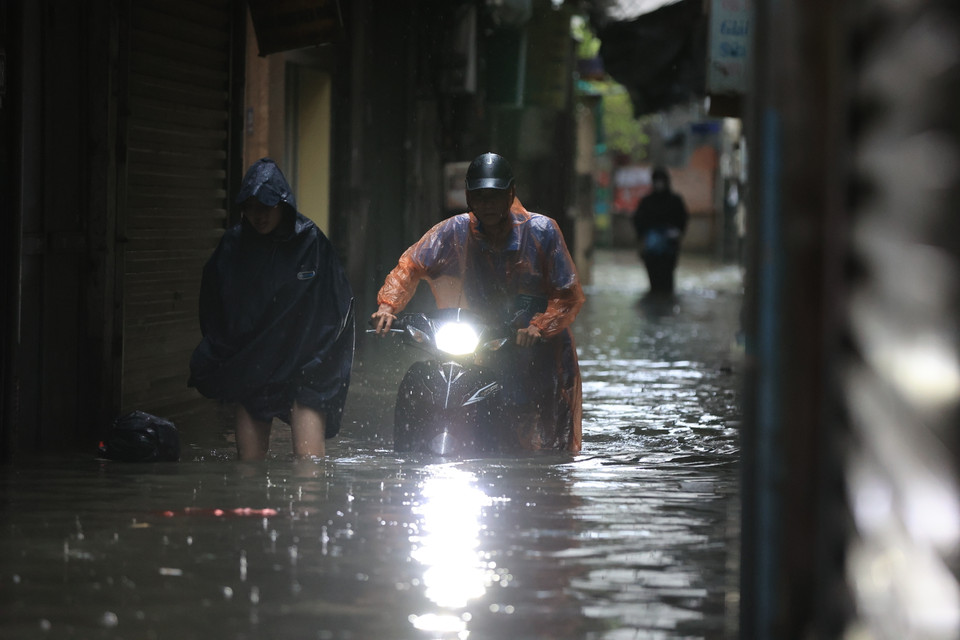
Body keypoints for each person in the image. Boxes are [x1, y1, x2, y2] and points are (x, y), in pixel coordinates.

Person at [371, 152, 585, 451]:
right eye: (480, 197)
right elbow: (410, 265)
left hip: (542, 352)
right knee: (492, 427)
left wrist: (539, 326)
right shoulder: (455, 231)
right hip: (488, 343)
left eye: (496, 197)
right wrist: (388, 307)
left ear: (510, 194)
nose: (488, 206)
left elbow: (567, 294)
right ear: (470, 198)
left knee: (549, 440)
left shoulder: (542, 232)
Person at [188, 158, 355, 460]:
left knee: (309, 468)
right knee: (248, 467)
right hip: (256, 359)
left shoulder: (311, 241)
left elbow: (337, 306)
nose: (258, 216)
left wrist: (319, 357)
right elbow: (214, 304)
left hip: (306, 362)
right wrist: (227, 351)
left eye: (266, 207)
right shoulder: (234, 245)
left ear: (283, 205)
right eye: (251, 208)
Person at [632, 166, 689, 295]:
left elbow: (682, 220)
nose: (659, 183)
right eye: (656, 180)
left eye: (661, 180)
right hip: (651, 250)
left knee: (668, 281)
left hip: (670, 248)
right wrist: (643, 238)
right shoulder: (647, 202)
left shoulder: (675, 201)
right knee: (654, 281)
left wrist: (677, 234)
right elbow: (638, 221)